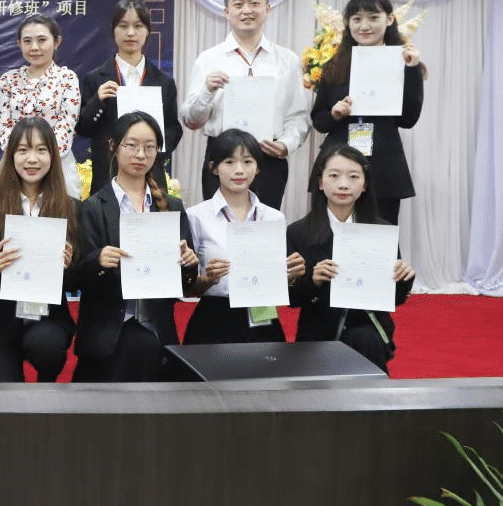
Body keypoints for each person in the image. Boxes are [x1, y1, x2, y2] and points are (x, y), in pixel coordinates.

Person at [75, 111, 198, 382]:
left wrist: (189, 264)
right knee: (136, 348)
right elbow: (76, 275)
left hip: (157, 327)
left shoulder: (171, 207)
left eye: (149, 147)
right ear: (113, 147)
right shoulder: (92, 208)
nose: (140, 154)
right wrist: (98, 260)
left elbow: (184, 285)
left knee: (145, 347)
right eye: (131, 145)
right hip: (108, 329)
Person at [180, 0, 310, 208]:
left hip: (269, 157)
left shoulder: (288, 60)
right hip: (222, 157)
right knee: (219, 223)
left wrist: (286, 144)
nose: (247, 10)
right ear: (226, 12)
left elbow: (298, 116)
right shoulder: (208, 59)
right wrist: (207, 91)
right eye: (238, 4)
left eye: (255, 3)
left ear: (267, 8)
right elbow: (191, 120)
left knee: (264, 224)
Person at [0, 116, 83, 383]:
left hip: (49, 316)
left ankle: (47, 385)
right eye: (23, 150)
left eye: (41, 150)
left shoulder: (71, 208)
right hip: (0, 316)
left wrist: (69, 266)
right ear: (11, 155)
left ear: (53, 156)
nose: (32, 159)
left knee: (46, 347)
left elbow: (79, 280)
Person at [286, 144, 415, 373]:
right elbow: (291, 299)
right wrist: (313, 281)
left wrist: (404, 279)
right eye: (334, 176)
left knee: (363, 339)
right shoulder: (298, 232)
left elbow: (392, 299)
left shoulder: (381, 231)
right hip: (318, 330)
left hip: (368, 329)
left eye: (353, 176)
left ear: (365, 184)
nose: (343, 184)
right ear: (320, 182)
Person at [310, 0, 425, 224]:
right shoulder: (335, 64)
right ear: (348, 23)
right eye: (356, 19)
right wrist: (334, 114)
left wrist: (412, 70)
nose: (364, 26)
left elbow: (408, 120)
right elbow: (319, 121)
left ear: (389, 19)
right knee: (331, 232)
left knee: (380, 236)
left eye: (373, 17)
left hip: (383, 166)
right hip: (339, 163)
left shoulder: (403, 62)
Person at [182, 129, 305, 345]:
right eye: (229, 162)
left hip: (262, 311)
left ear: (258, 167)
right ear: (214, 167)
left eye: (247, 162)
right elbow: (188, 288)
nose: (239, 170)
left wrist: (292, 275)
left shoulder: (273, 217)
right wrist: (208, 279)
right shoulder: (196, 216)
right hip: (214, 316)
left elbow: (277, 279)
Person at [77, 0, 182, 194]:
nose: (131, 33)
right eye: (123, 26)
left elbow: (174, 129)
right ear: (113, 31)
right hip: (107, 176)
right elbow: (83, 128)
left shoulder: (164, 82)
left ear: (148, 31)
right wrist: (97, 101)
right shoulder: (96, 78)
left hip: (151, 177)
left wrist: (151, 151)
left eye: (138, 26)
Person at [0, 13, 82, 197]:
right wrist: (24, 157)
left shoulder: (67, 79)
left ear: (57, 42)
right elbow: (4, 127)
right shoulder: (7, 81)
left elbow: (66, 124)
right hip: (15, 166)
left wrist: (41, 157)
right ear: (19, 44)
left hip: (58, 165)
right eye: (27, 41)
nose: (34, 47)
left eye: (42, 40)